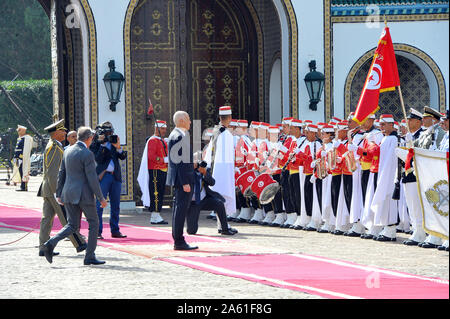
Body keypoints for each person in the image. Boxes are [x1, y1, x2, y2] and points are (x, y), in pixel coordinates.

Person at [42, 127, 108, 265]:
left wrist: (59, 193)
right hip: (84, 195)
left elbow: (61, 174)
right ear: (89, 138)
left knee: (71, 225)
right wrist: (101, 197)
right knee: (94, 223)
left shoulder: (67, 151)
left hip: (68, 193)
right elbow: (92, 178)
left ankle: (50, 243)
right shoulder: (87, 154)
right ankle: (89, 256)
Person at [38, 119, 86, 257]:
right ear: (56, 132)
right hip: (53, 189)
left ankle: (43, 246)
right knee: (67, 217)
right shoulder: (54, 147)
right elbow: (54, 173)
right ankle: (79, 243)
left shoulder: (54, 145)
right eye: (63, 130)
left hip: (48, 189)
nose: (65, 132)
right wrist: (59, 191)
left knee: (47, 218)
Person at [90, 121, 127, 239]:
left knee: (116, 204)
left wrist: (119, 147)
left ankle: (115, 230)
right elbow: (98, 159)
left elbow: (122, 157)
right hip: (103, 176)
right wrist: (103, 145)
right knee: (99, 204)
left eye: (111, 131)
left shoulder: (113, 141)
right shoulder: (96, 144)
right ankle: (98, 231)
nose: (109, 134)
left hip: (115, 176)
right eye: (107, 132)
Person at [166, 111, 197, 250]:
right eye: (189, 119)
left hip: (180, 178)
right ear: (182, 120)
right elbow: (180, 162)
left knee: (178, 209)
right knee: (180, 210)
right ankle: (179, 241)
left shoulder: (178, 135)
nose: (190, 122)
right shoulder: (178, 136)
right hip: (183, 180)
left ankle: (178, 239)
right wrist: (185, 182)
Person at [370, 114, 399, 242]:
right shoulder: (385, 138)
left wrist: (385, 175)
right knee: (385, 200)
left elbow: (390, 161)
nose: (380, 127)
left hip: (389, 174)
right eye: (380, 125)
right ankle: (387, 227)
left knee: (389, 200)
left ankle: (391, 229)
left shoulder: (393, 139)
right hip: (382, 173)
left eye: (383, 124)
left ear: (391, 125)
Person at [186, 164, 238, 236]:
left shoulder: (203, 170)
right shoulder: (187, 171)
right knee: (191, 231)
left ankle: (225, 229)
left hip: (204, 199)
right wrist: (192, 170)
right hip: (192, 203)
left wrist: (204, 173)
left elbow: (212, 183)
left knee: (219, 203)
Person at [204, 106, 236, 219]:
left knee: (219, 196)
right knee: (224, 196)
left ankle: (221, 224)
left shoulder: (216, 131)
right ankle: (223, 225)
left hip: (215, 169)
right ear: (230, 118)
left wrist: (207, 165)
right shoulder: (226, 134)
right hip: (224, 171)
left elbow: (209, 152)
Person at [137, 120, 169, 225]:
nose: (164, 130)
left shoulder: (162, 140)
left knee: (160, 192)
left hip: (163, 169)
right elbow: (151, 156)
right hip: (155, 170)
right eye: (162, 128)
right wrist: (163, 160)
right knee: (155, 193)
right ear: (157, 128)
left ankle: (156, 214)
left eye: (165, 128)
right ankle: (155, 215)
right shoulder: (152, 140)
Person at [11, 125, 33, 191]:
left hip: (23, 159)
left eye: (19, 130)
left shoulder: (26, 138)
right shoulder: (21, 138)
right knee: (21, 172)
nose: (18, 131)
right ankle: (22, 185)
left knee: (24, 172)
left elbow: (26, 150)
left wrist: (22, 158)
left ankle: (24, 187)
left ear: (23, 130)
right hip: (18, 159)